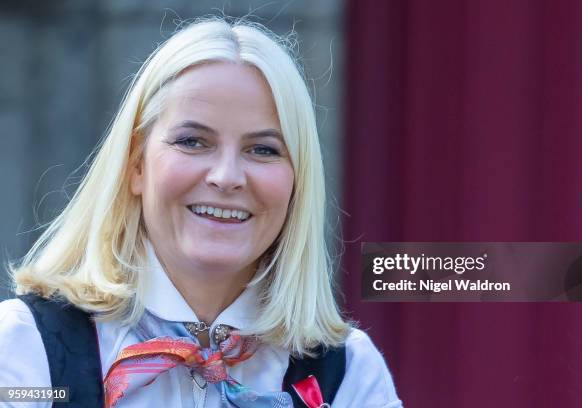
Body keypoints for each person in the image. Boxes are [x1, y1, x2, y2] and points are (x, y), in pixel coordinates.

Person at [0, 17, 402, 407]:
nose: (227, 176)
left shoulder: (347, 372)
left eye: (263, 149)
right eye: (193, 142)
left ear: (298, 182)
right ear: (135, 165)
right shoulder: (25, 349)